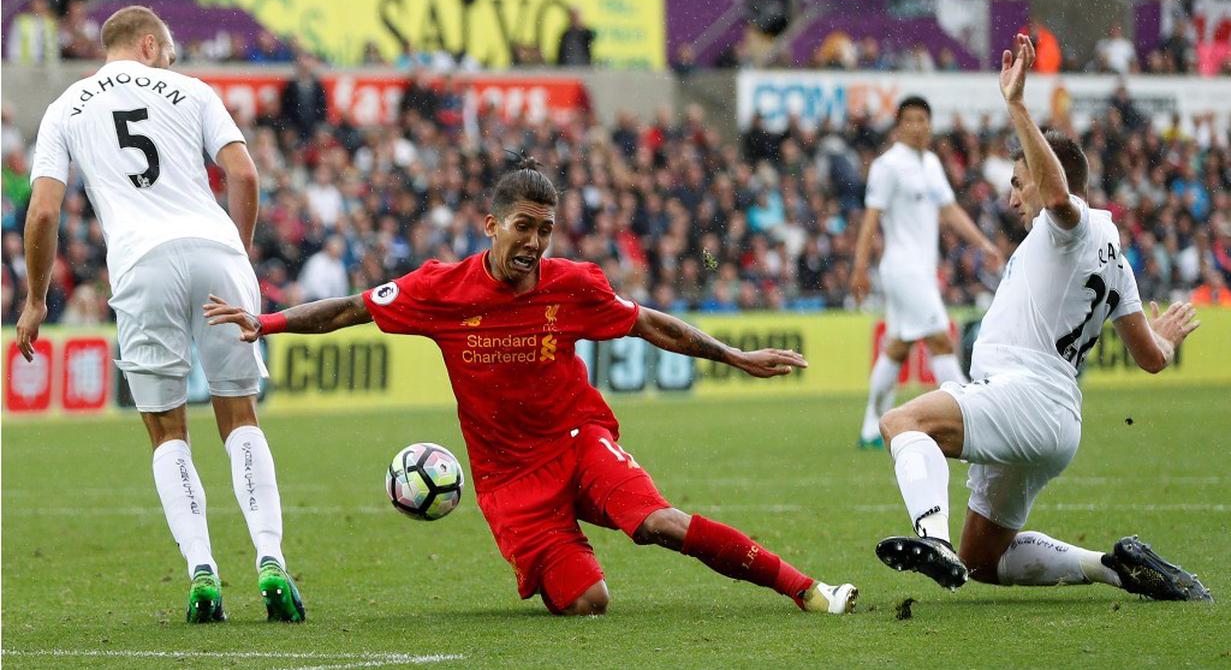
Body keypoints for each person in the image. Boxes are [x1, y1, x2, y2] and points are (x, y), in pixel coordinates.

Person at [205, 156, 859, 617]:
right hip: (508, 480)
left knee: (657, 523)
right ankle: (563, 542)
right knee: (589, 603)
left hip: (578, 440)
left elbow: (648, 323)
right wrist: (267, 323)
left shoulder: (573, 284)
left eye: (545, 229)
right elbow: (350, 309)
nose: (535, 242)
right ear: (491, 225)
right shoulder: (439, 288)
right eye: (524, 225)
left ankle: (805, 588)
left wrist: (733, 355)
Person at [872, 34, 1212, 602]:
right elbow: (1151, 359)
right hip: (1056, 419)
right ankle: (1114, 567)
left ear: (1046, 174)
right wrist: (1166, 340)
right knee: (983, 560)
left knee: (901, 423)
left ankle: (931, 538)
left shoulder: (1070, 226)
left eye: (1018, 182)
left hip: (1024, 397)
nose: (1013, 198)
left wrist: (1017, 106)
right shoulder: (1116, 260)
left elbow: (1056, 199)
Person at [15, 6, 305, 623]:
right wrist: (236, 256)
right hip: (216, 253)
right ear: (149, 44)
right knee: (240, 415)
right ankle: (270, 559)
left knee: (168, 431)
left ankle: (202, 572)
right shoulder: (193, 91)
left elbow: (42, 213)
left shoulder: (65, 108)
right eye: (169, 51)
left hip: (141, 264)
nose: (172, 61)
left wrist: (36, 299)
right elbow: (243, 174)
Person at [850, 96, 1003, 449]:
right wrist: (859, 267)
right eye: (911, 120)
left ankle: (871, 427)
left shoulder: (931, 163)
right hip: (903, 269)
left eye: (923, 119)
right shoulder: (888, 166)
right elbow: (871, 218)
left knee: (898, 347)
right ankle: (971, 417)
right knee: (940, 341)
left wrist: (983, 243)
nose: (918, 126)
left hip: (921, 269)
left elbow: (949, 210)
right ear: (898, 126)